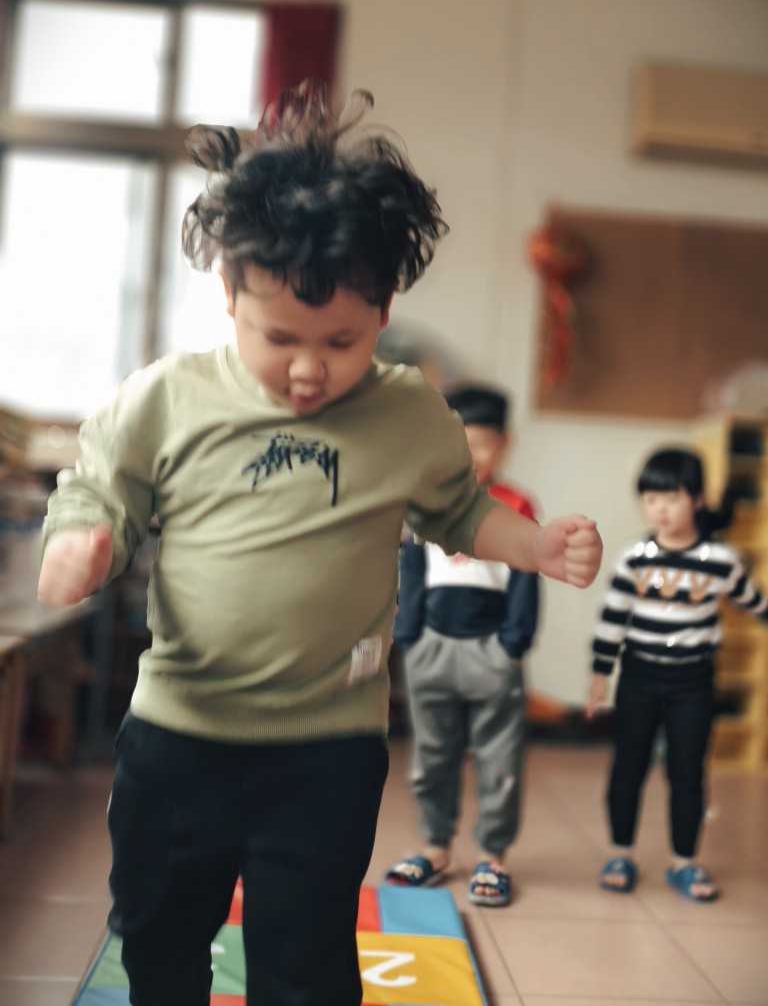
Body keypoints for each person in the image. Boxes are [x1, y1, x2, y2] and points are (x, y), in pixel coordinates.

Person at [38, 77, 603, 1006]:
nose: (309, 369)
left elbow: (460, 510)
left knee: (305, 962)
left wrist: (532, 546)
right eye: (281, 338)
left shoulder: (408, 412)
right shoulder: (168, 397)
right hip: (180, 734)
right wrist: (81, 543)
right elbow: (99, 490)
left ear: (383, 309)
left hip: (328, 747)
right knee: (159, 933)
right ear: (229, 295)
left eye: (341, 341)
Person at [587, 447, 767, 903]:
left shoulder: (720, 559)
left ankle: (683, 862)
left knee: (687, 774)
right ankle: (620, 854)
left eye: (671, 498)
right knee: (628, 768)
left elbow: (753, 601)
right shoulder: (635, 557)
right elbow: (613, 618)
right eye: (651, 499)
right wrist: (600, 673)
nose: (660, 509)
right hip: (639, 678)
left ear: (698, 499)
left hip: (694, 683)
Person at [385, 384, 539, 907]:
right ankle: (435, 846)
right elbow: (411, 569)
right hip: (431, 646)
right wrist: (409, 637)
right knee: (432, 755)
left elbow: (526, 577)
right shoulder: (426, 501)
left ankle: (493, 855)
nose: (472, 456)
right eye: (460, 443)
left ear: (505, 444)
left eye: (483, 444)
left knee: (500, 760)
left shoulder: (516, 505)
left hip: (492, 649)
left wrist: (514, 643)